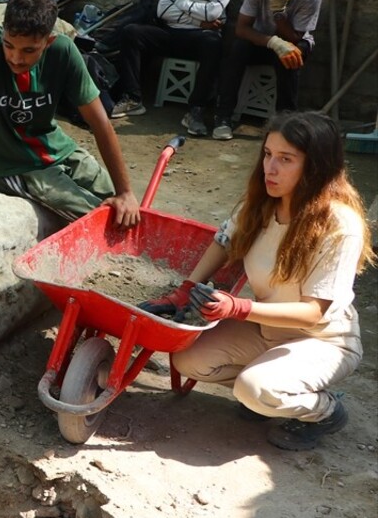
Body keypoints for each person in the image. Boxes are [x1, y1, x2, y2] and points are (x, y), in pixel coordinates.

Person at [149, 112, 371, 450]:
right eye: (268, 154)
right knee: (187, 360)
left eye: (285, 159)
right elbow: (224, 241)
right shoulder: (263, 203)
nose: (270, 167)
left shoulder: (340, 225)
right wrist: (186, 289)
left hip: (323, 340)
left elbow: (314, 312)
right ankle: (269, 394)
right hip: (266, 327)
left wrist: (238, 307)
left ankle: (325, 411)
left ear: (316, 166)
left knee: (254, 388)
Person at [0, 0, 141, 246]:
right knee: (94, 214)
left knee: (126, 207)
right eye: (9, 45)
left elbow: (100, 122)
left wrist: (125, 192)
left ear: (48, 42)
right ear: (3, 32)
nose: (15, 57)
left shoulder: (63, 51)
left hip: (60, 151)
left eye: (28, 50)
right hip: (17, 166)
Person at [111, 0, 239, 139]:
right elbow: (163, 10)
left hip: (201, 38)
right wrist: (199, 19)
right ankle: (132, 97)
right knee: (132, 32)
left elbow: (215, 13)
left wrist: (181, 3)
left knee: (213, 42)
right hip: (174, 33)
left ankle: (196, 110)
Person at [211, 0, 322, 141]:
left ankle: (285, 125)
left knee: (290, 57)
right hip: (261, 39)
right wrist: (272, 42)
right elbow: (242, 28)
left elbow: (295, 37)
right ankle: (223, 117)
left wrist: (279, 13)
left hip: (293, 40)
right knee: (237, 50)